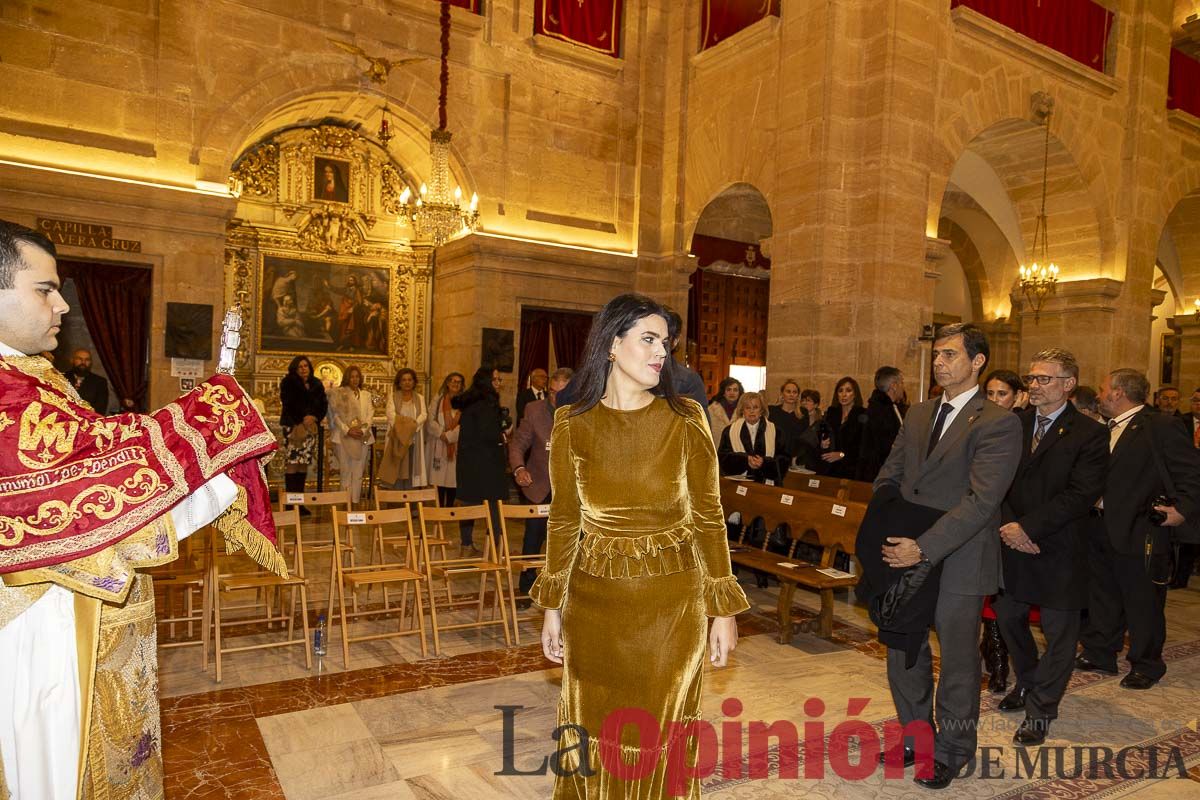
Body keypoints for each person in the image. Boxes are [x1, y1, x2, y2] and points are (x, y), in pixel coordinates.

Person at [0, 219, 285, 799]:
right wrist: (212, 424)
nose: (61, 305)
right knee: (53, 771)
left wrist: (208, 441)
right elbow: (88, 502)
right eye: (44, 289)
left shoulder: (29, 378)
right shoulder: (9, 393)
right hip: (41, 628)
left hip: (66, 612)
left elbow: (100, 453)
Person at [533, 293, 747, 798]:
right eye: (648, 340)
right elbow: (564, 520)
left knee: (663, 734)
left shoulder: (685, 416)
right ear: (612, 343)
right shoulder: (572, 423)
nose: (660, 355)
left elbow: (708, 515)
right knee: (591, 731)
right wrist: (552, 608)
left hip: (671, 606)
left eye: (665, 344)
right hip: (593, 606)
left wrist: (722, 609)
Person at [874, 322, 1022, 789]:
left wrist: (925, 545)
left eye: (950, 354)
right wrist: (889, 528)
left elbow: (982, 501)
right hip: (906, 553)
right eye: (937, 354)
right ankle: (917, 738)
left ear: (977, 361)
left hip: (960, 556)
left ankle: (954, 750)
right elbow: (889, 476)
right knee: (904, 651)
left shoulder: (999, 422)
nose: (939, 362)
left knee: (958, 659)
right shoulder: (917, 414)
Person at [992, 349, 1107, 745]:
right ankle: (1027, 681)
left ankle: (1041, 710)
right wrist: (1010, 525)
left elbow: (1080, 494)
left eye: (1044, 379)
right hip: (1012, 541)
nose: (1034, 386)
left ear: (1068, 384)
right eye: (1032, 378)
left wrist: (1028, 527)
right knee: (1008, 616)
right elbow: (997, 480)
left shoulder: (1090, 433)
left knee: (1060, 633)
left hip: (1060, 547)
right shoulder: (1015, 424)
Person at [1077, 369, 1200, 689]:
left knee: (1142, 600)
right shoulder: (1103, 428)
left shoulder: (1160, 425)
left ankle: (1147, 664)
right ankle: (1100, 652)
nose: (1100, 394)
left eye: (1104, 388)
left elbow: (1191, 473)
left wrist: (1182, 511)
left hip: (1141, 528)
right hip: (1099, 525)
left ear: (1118, 393)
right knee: (1102, 594)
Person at [977, 367, 1027, 692]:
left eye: (1002, 394)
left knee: (1004, 596)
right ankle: (994, 659)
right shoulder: (977, 426)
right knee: (987, 594)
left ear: (1017, 397)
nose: (995, 400)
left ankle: (1000, 666)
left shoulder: (1023, 428)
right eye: (991, 394)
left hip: (1011, 521)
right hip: (981, 521)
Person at [508, 367, 573, 599]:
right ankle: (526, 589)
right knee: (533, 538)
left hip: (570, 488)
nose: (555, 397)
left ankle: (568, 589)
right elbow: (517, 445)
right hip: (540, 486)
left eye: (561, 392)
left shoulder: (583, 411)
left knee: (571, 542)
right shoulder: (534, 410)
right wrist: (519, 468)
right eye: (552, 392)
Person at [452, 367, 509, 554]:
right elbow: (488, 433)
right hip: (486, 462)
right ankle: (495, 548)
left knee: (469, 502)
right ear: (486, 382)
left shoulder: (472, 401)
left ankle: (466, 544)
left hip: (470, 462)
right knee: (493, 505)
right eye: (496, 380)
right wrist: (503, 432)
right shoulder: (485, 403)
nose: (499, 383)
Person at [279, 354, 328, 509]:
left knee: (303, 464)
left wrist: (313, 417)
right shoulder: (288, 382)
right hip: (293, 426)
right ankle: (289, 502)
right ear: (295, 368)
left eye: (306, 366)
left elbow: (323, 405)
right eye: (300, 366)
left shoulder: (316, 384)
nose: (303, 369)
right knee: (293, 463)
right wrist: (302, 419)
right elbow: (288, 404)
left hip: (310, 428)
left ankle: (298, 503)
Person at [717, 390, 790, 483]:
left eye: (755, 407)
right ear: (742, 410)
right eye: (748, 407)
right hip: (738, 484)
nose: (751, 411)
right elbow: (723, 458)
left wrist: (764, 463)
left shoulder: (776, 431)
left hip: (767, 485)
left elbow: (784, 460)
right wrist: (745, 460)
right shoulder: (729, 431)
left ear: (761, 410)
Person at [328, 365, 375, 506]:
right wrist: (347, 430)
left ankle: (355, 501)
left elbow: (370, 414)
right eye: (352, 376)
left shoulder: (366, 395)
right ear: (347, 378)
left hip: (362, 436)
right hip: (344, 436)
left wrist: (363, 430)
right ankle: (344, 501)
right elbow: (335, 416)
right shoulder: (340, 393)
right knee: (346, 471)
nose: (354, 379)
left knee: (358, 471)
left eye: (357, 376)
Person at [380, 367, 427, 489]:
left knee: (411, 466)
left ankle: (411, 499)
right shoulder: (393, 396)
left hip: (413, 438)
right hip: (397, 438)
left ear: (414, 382)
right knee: (397, 466)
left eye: (409, 380)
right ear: (399, 383)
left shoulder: (420, 398)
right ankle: (396, 500)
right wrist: (406, 428)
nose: (407, 382)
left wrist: (411, 428)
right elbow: (391, 415)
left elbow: (423, 415)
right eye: (404, 380)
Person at [1172, 387, 1200, 588]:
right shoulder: (1181, 422)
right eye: (1196, 400)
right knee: (1187, 532)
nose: (1198, 404)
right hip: (1187, 483)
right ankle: (1180, 577)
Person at [858, 366, 906, 482]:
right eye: (901, 382)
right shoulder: (880, 410)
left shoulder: (891, 407)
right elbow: (887, 446)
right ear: (894, 386)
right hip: (879, 475)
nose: (903, 387)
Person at [425, 371, 465, 508]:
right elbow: (430, 419)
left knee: (453, 478)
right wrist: (442, 434)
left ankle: (450, 506)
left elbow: (466, 422)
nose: (455, 384)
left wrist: (451, 436)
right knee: (439, 477)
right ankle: (440, 506)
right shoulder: (439, 399)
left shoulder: (465, 401)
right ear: (447, 383)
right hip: (440, 442)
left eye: (458, 382)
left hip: (456, 443)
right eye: (453, 381)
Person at [819, 376, 865, 479]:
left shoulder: (862, 415)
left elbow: (864, 448)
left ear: (855, 394)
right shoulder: (831, 413)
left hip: (852, 470)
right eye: (840, 391)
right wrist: (823, 444)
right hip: (830, 469)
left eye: (848, 391)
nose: (844, 395)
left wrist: (842, 455)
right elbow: (822, 436)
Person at [767, 378, 805, 465]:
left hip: (795, 459)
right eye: (788, 391)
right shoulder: (772, 411)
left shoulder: (803, 413)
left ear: (798, 395)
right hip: (774, 456)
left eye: (794, 392)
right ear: (782, 394)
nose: (791, 394)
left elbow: (804, 438)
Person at [62, 347, 109, 413]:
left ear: (91, 362)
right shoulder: (61, 377)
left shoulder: (100, 382)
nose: (83, 362)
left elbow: (100, 410)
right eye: (79, 359)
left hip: (88, 420)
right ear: (72, 360)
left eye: (87, 360)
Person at [792, 388, 824, 471]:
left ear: (816, 404)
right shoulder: (797, 418)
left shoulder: (821, 422)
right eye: (802, 400)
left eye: (808, 400)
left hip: (813, 462)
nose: (804, 403)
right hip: (795, 462)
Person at [707, 376, 743, 447]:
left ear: (739, 393)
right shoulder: (711, 409)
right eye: (728, 390)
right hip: (717, 447)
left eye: (735, 390)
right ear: (723, 392)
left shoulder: (744, 410)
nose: (732, 392)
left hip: (738, 449)